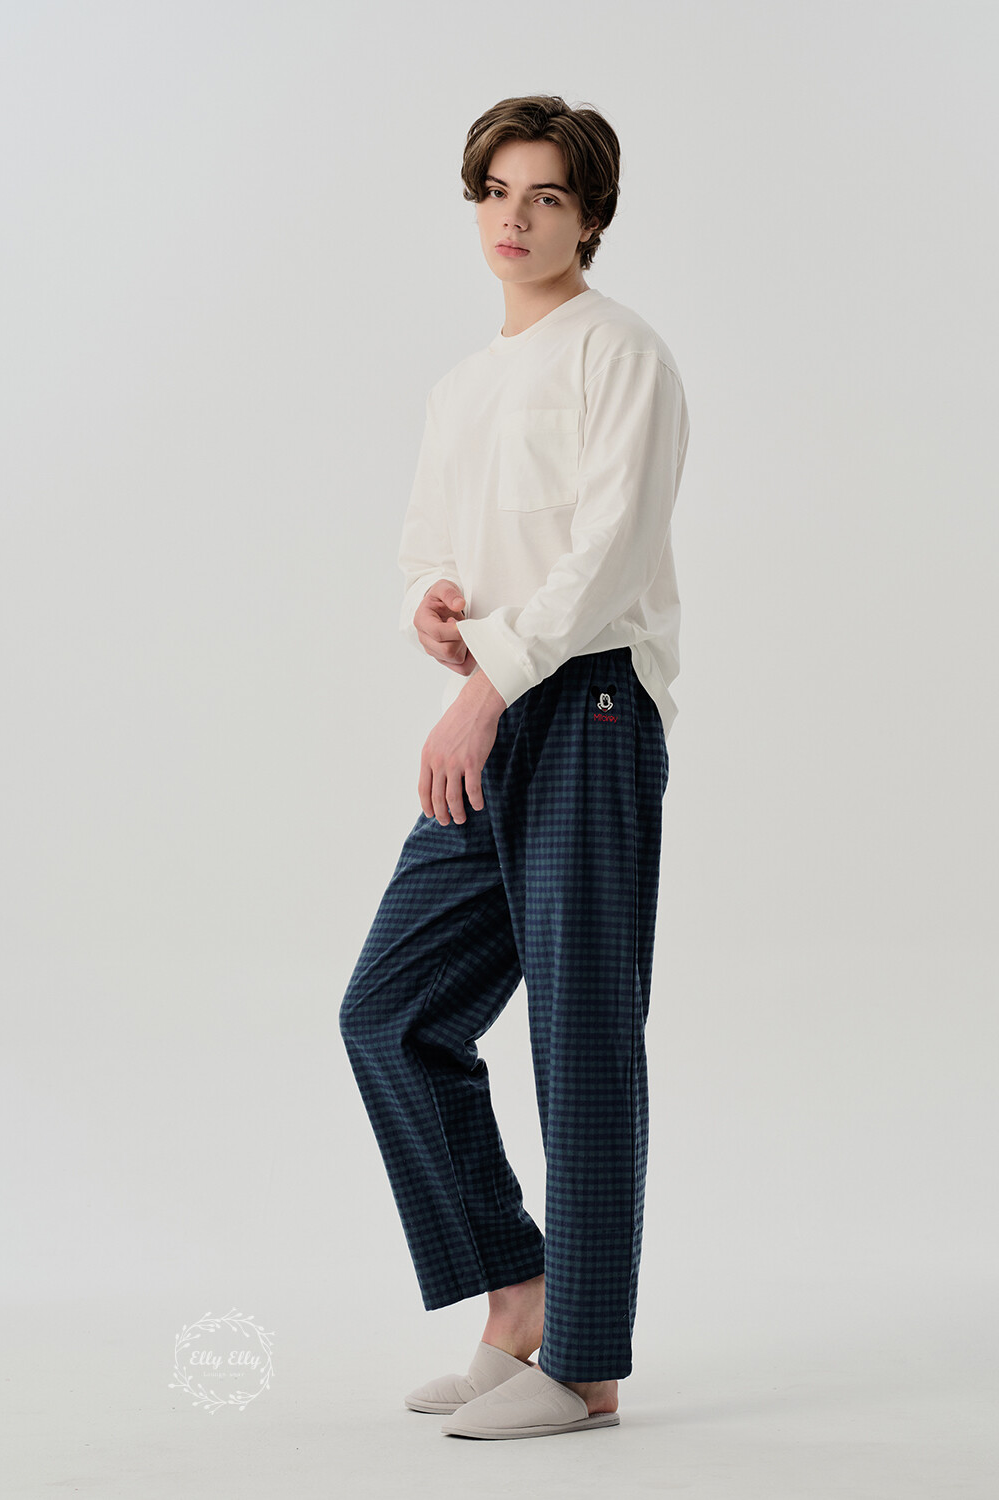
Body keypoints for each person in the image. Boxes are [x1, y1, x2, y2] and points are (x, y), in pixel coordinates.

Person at [339, 93, 690, 1441]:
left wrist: (484, 688)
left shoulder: (622, 352)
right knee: (391, 1012)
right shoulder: (462, 385)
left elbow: (609, 550)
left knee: (580, 1039)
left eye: (546, 194)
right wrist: (430, 604)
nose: (515, 216)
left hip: (584, 706)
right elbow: (430, 539)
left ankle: (586, 1365)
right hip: (495, 704)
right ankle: (520, 1293)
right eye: (496, 189)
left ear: (590, 216)